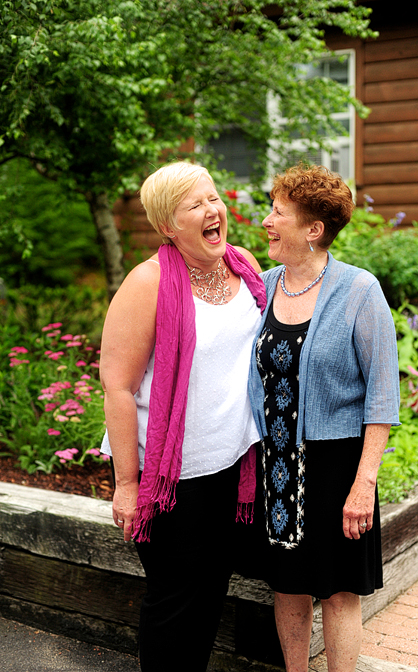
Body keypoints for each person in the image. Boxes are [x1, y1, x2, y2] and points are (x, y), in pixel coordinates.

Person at [100, 162, 266, 670]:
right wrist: (127, 484)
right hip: (170, 476)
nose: (212, 211)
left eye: (213, 198)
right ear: (167, 226)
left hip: (230, 460)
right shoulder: (146, 283)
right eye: (194, 205)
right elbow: (119, 387)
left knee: (211, 590)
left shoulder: (244, 264)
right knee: (174, 600)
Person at [245, 164, 400, 672]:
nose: (266, 220)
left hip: (338, 467)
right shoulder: (261, 289)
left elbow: (382, 396)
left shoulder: (360, 291)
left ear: (314, 229)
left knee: (337, 592)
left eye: (278, 212)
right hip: (277, 463)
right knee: (287, 585)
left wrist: (364, 484)